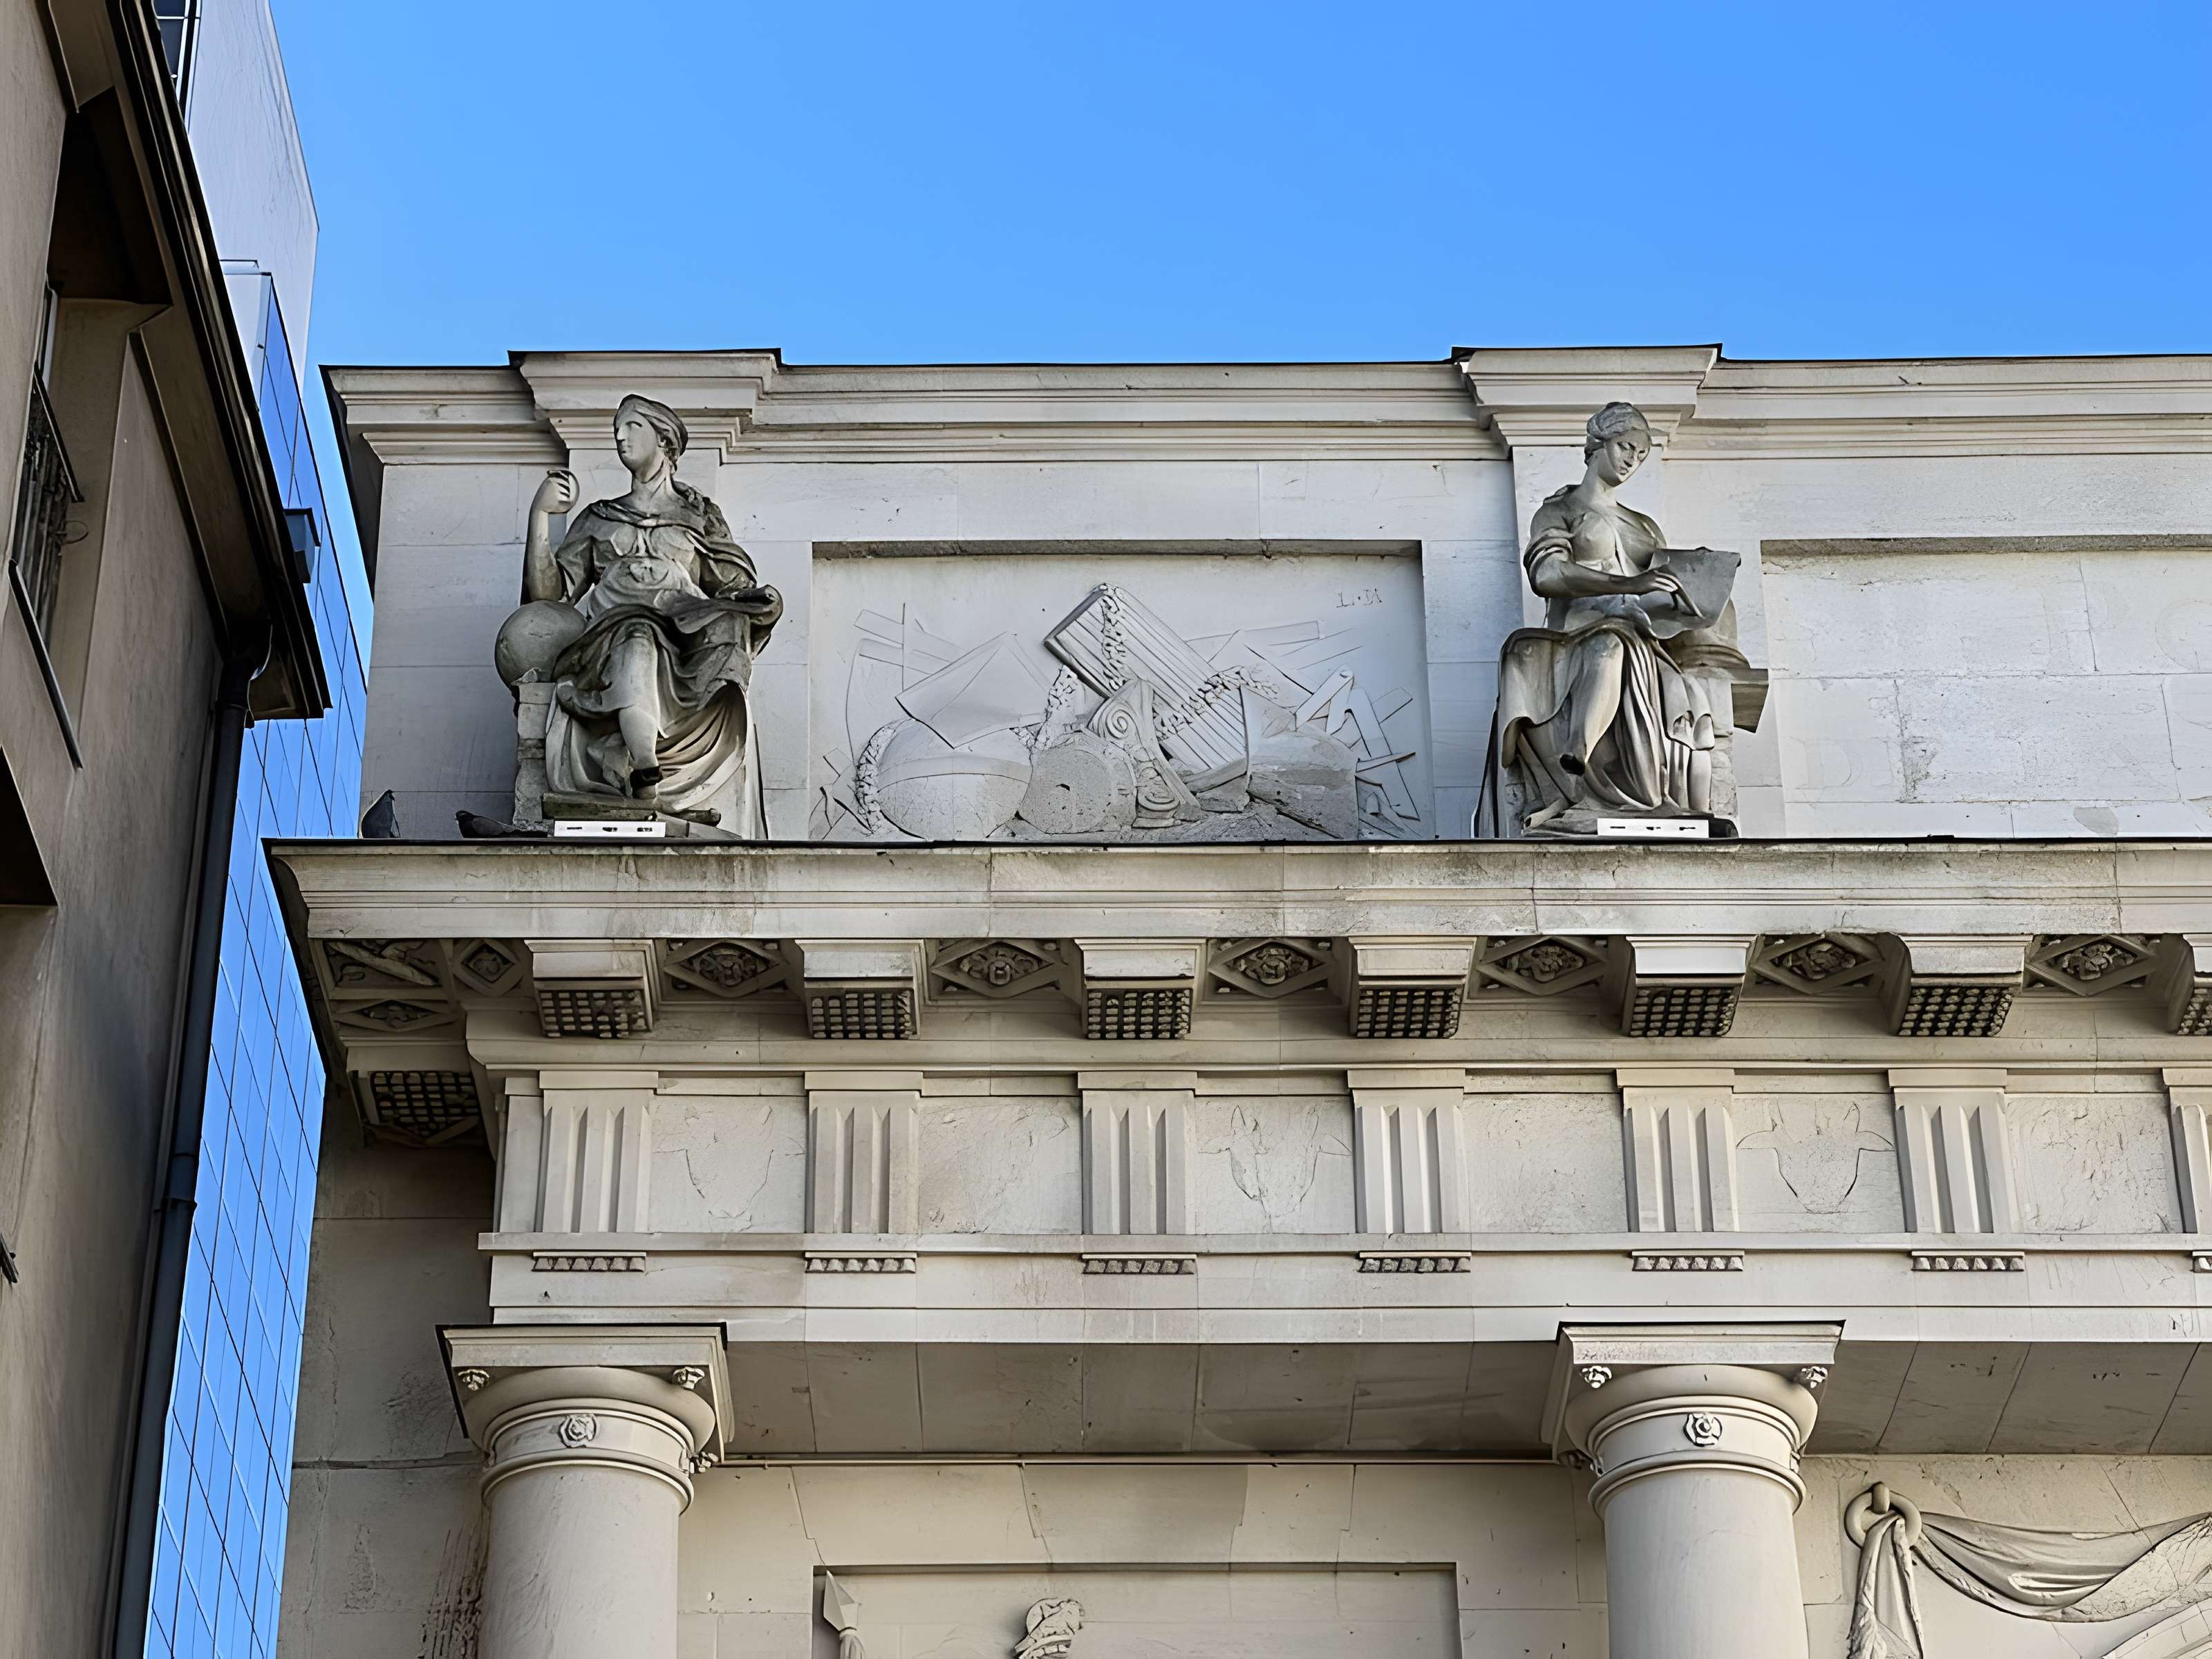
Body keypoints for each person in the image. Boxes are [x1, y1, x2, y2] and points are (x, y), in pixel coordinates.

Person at [523, 394, 781, 828]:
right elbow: (548, 596)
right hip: (610, 634)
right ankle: (645, 762)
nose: (621, 438)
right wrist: (540, 516)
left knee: (679, 631)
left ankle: (643, 757)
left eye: (632, 427)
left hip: (682, 633)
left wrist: (757, 602)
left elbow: (732, 586)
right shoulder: (600, 517)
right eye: (617, 431)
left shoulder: (700, 517)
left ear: (664, 440)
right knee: (637, 637)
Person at [1497, 401, 1721, 828]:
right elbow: (1547, 575)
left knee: (1659, 668)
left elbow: (1662, 591)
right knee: (1609, 646)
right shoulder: (1560, 511)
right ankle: (1578, 750)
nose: (1631, 461)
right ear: (1597, 443)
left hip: (1642, 636)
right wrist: (1628, 585)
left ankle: (1656, 794)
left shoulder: (1645, 526)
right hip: (1574, 635)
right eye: (1625, 447)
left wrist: (1697, 580)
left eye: (1641, 454)